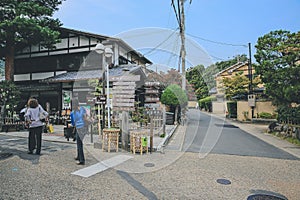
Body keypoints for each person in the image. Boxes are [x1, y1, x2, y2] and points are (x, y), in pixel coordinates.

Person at [70, 98, 88, 165]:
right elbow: (85, 117)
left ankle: (82, 160)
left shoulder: (72, 113)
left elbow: (73, 123)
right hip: (84, 128)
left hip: (79, 128)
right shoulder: (82, 109)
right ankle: (78, 156)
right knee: (79, 142)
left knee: (79, 144)